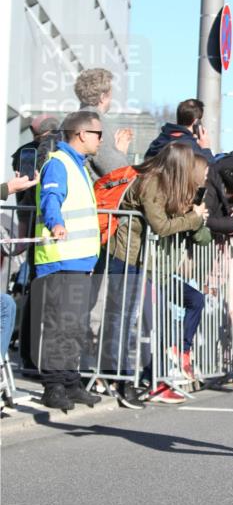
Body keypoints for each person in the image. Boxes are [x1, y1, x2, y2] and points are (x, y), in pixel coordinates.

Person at [107, 144, 210, 406]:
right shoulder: (151, 182)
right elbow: (161, 226)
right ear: (178, 165)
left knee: (142, 321)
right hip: (126, 257)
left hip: (140, 260)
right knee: (127, 323)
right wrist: (194, 218)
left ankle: (145, 378)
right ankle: (124, 382)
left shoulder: (163, 184)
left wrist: (191, 215)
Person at [32, 110, 103, 412]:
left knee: (75, 327)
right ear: (82, 134)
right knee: (60, 326)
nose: (101, 140)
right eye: (98, 134)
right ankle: (54, 386)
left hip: (79, 261)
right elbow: (51, 198)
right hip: (60, 259)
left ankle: (71, 382)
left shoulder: (79, 166)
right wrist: (55, 222)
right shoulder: (59, 164)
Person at [73, 67, 134, 181]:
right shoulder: (95, 123)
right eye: (110, 94)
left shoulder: (73, 120)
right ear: (102, 97)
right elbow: (116, 170)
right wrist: (120, 151)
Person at [144, 98, 213, 162]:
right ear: (196, 122)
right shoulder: (190, 146)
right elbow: (211, 172)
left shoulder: (158, 141)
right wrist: (205, 149)